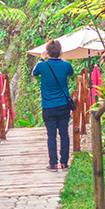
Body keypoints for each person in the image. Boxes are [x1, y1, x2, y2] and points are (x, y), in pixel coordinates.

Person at [32, 39, 74, 171]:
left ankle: (53, 164)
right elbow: (71, 73)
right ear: (60, 51)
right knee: (64, 134)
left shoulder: (42, 66)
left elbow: (34, 74)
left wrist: (41, 58)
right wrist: (61, 58)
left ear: (47, 52)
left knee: (51, 135)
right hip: (63, 105)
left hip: (48, 106)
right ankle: (64, 163)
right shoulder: (66, 65)